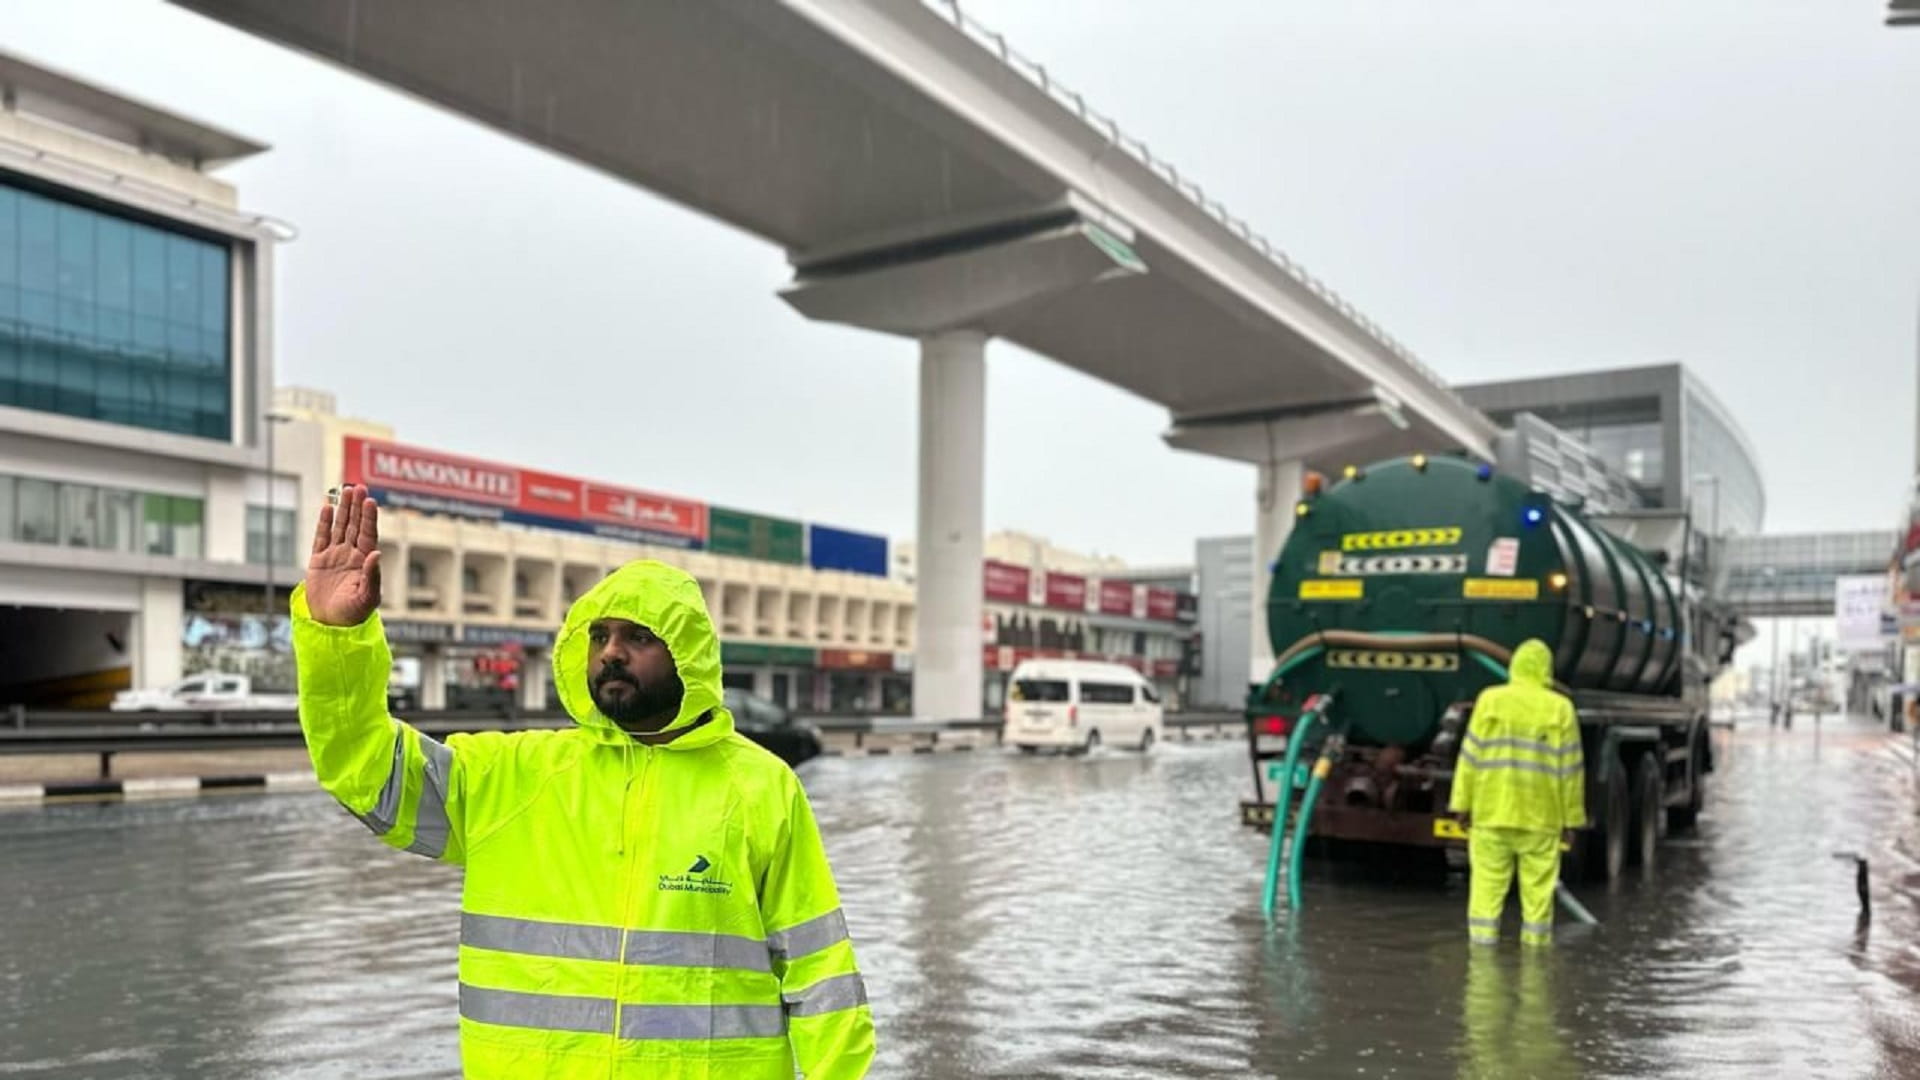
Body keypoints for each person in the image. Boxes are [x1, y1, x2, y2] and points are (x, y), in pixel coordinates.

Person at [293, 485, 874, 1079]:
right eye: (599, 637)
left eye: (639, 637)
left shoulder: (761, 788)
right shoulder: (514, 776)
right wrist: (337, 640)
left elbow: (820, 973)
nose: (612, 653)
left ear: (689, 655)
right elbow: (366, 770)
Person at [1448, 639, 1585, 947]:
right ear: (1547, 670)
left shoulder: (1490, 701)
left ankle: (1481, 967)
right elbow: (1571, 772)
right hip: (1541, 820)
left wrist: (1461, 804)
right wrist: (1572, 821)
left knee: (1485, 895)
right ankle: (1535, 971)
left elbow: (1469, 758)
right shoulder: (1560, 708)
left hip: (1491, 815)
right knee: (1538, 902)